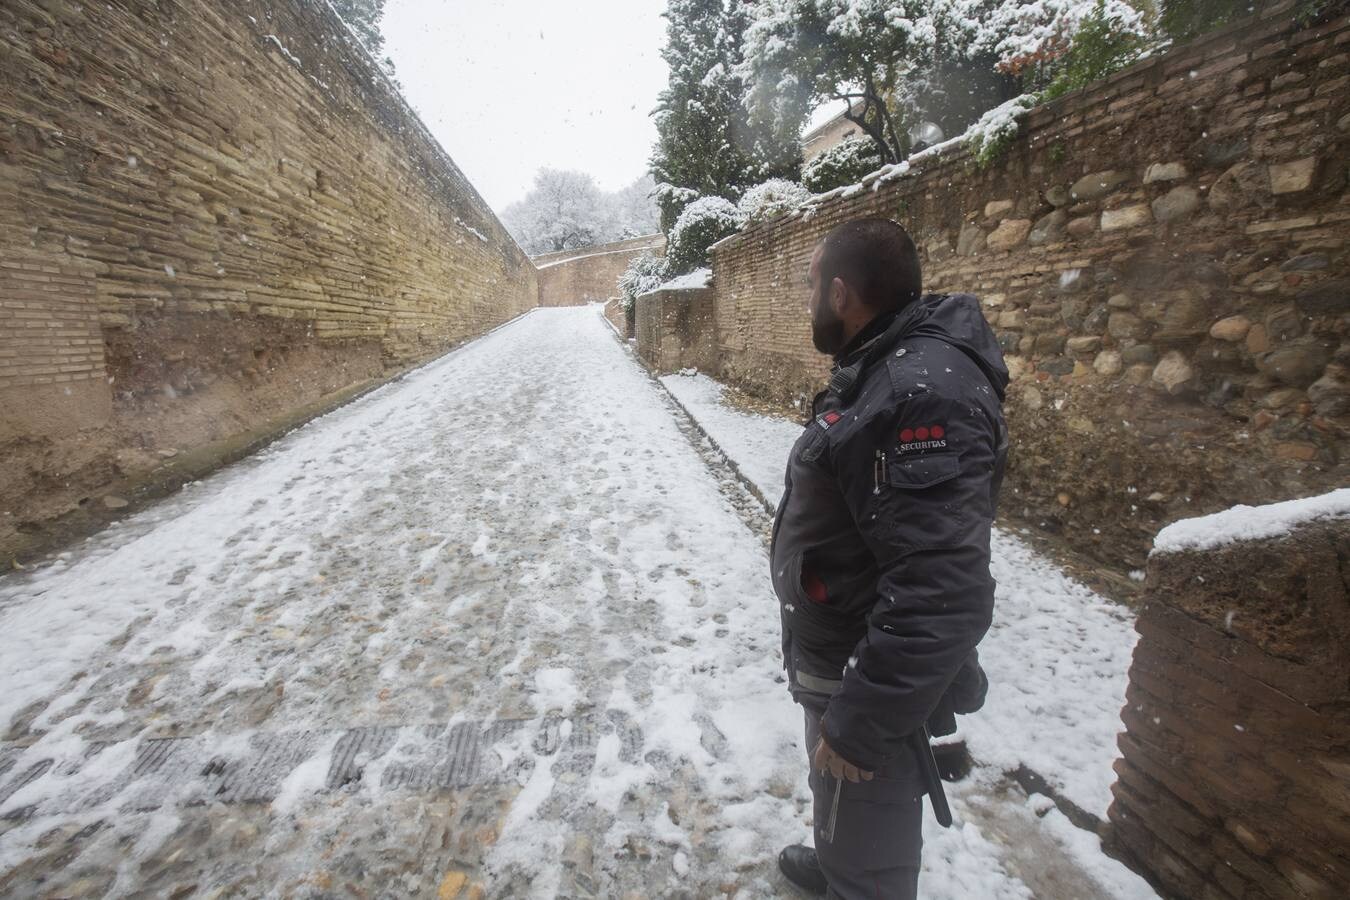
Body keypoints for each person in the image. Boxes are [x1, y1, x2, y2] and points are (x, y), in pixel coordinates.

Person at [770, 218, 1008, 898]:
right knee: (841, 784)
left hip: (863, 662)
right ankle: (843, 855)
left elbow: (942, 588)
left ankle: (862, 878)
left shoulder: (918, 391)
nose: (806, 298)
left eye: (812, 283)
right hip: (841, 642)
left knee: (859, 774)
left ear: (842, 294)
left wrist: (861, 721)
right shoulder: (884, 366)